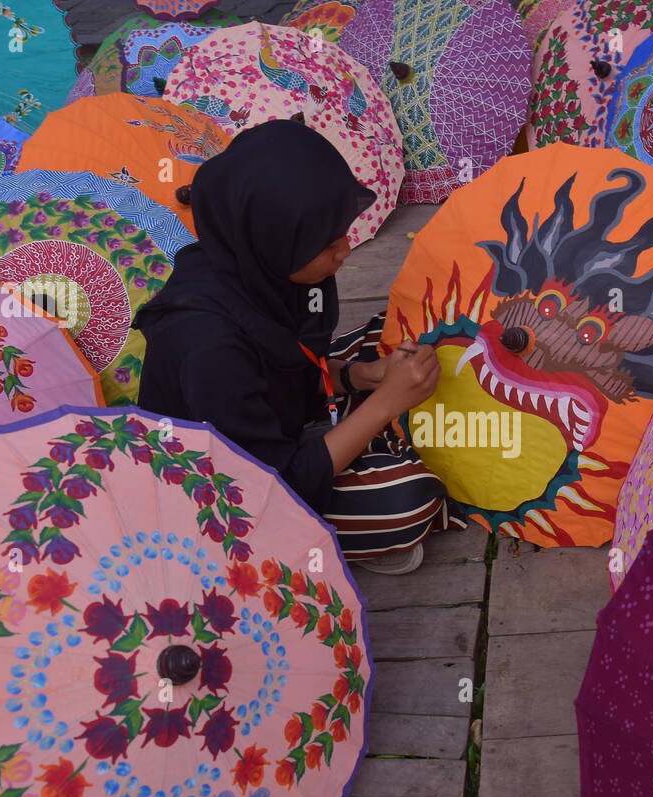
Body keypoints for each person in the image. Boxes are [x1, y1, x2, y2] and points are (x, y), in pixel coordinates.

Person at [133, 120, 461, 575]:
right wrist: (384, 405)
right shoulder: (208, 346)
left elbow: (294, 361)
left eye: (342, 231)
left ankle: (371, 431)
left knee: (388, 337)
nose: (346, 251)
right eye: (326, 244)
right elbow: (266, 486)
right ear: (272, 239)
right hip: (230, 496)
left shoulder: (260, 267)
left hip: (280, 418)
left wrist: (359, 376)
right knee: (404, 503)